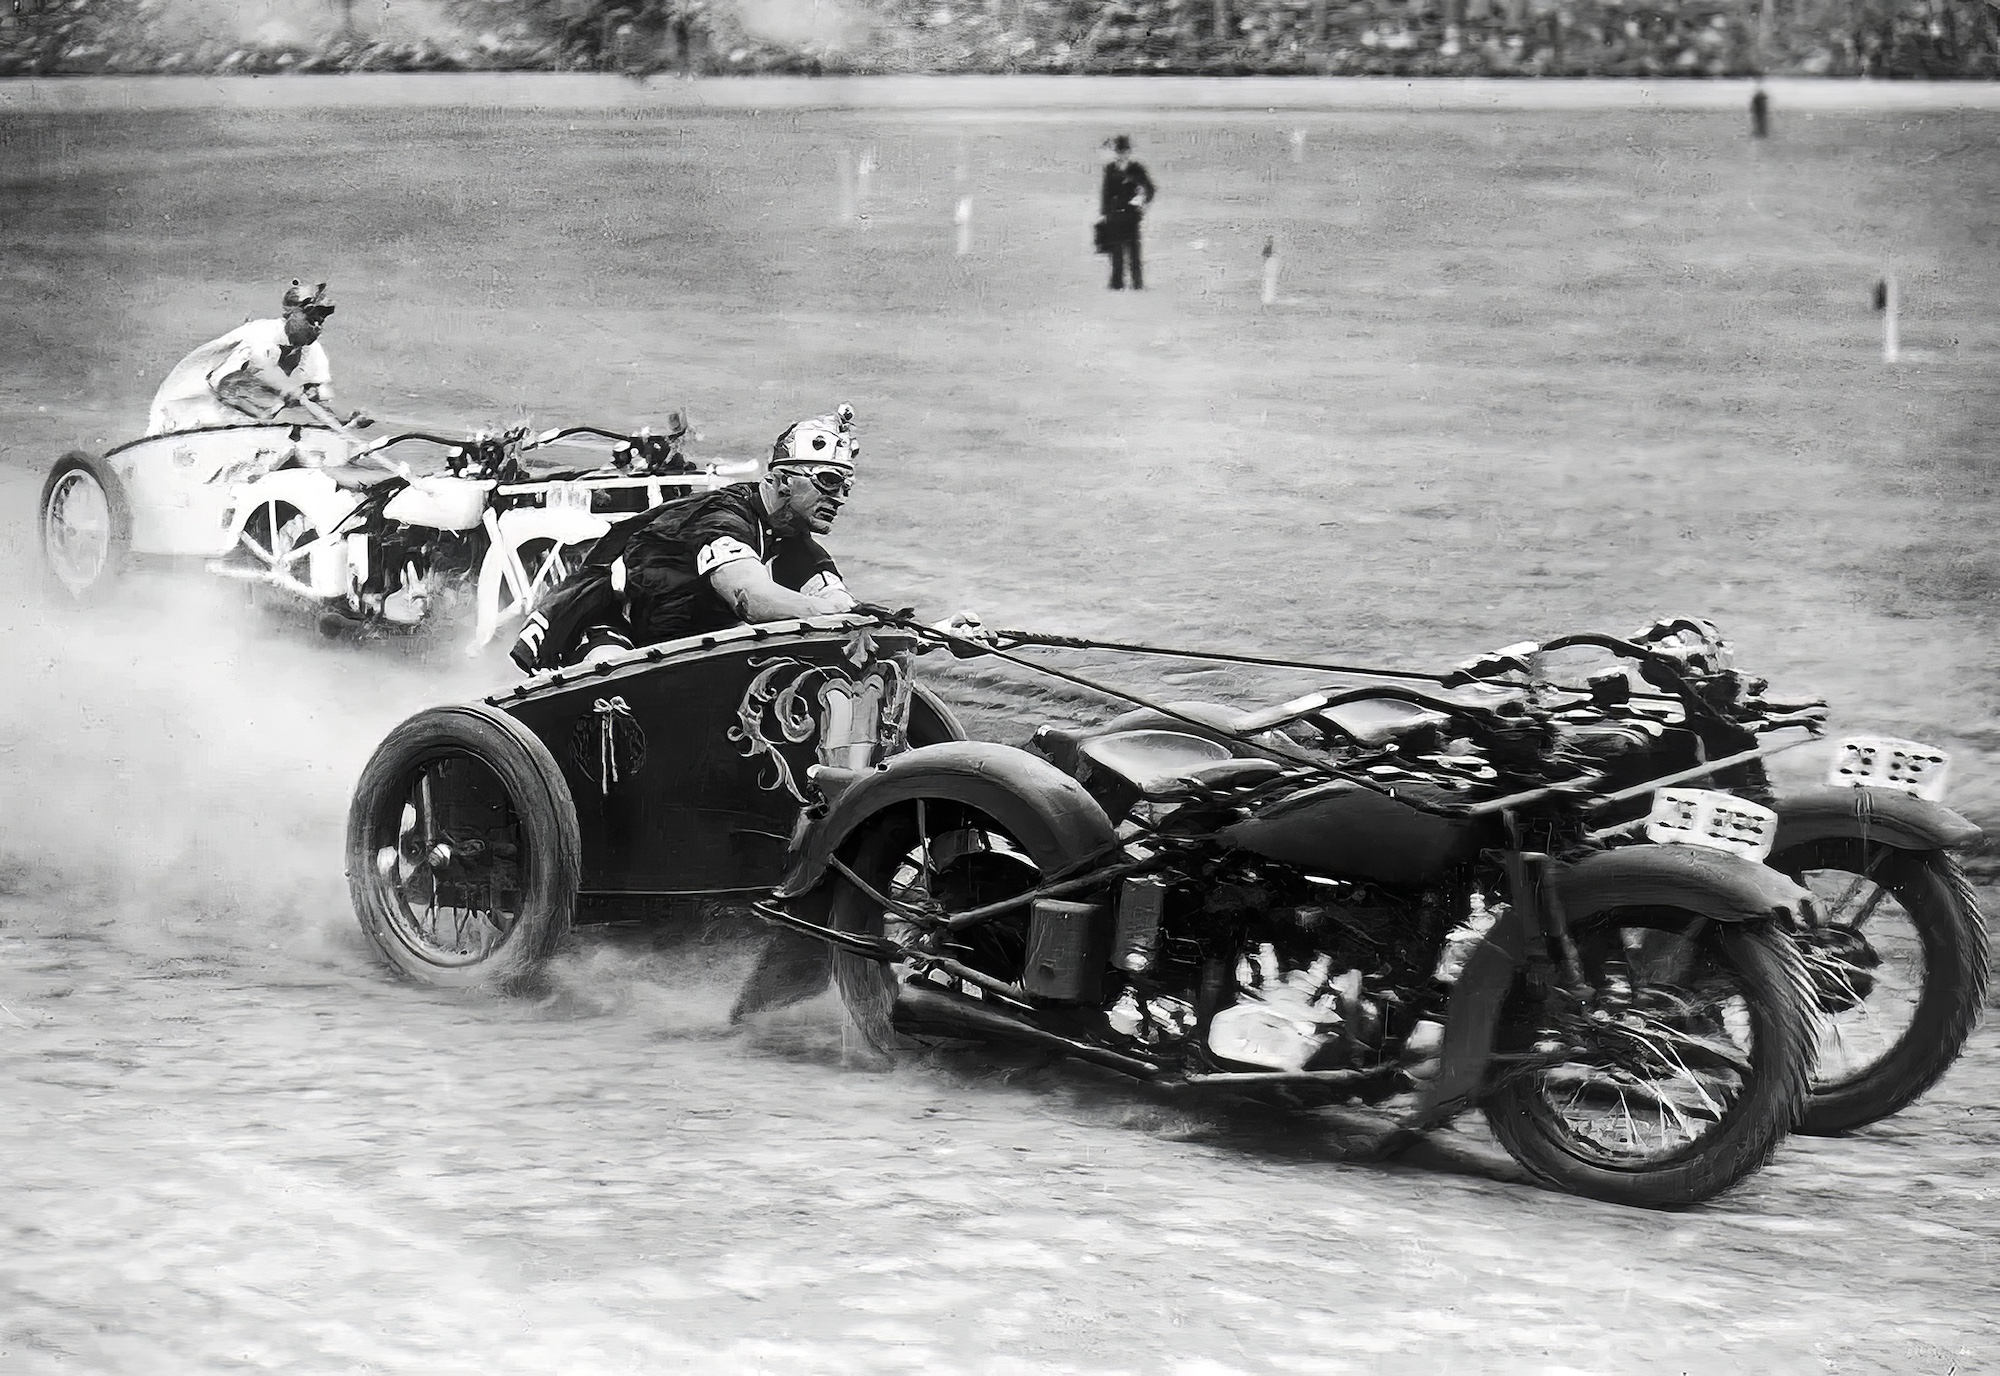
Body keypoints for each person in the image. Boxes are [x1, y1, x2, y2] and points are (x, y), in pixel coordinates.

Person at [511, 406, 864, 671]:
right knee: (615, 675)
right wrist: (824, 612)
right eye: (828, 481)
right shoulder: (724, 517)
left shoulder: (791, 536)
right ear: (781, 480)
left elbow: (839, 602)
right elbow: (751, 599)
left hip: (678, 639)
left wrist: (862, 620)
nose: (840, 497)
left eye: (845, 486)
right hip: (612, 623)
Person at [145, 279, 368, 436]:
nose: (318, 324)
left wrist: (344, 421)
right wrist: (289, 389)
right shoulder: (261, 333)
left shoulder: (314, 354)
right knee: (243, 388)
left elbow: (317, 397)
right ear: (291, 314)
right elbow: (253, 372)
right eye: (311, 316)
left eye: (322, 318)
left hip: (239, 427)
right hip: (192, 415)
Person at [1098, 134, 1157, 291]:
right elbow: (1106, 192)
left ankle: (1137, 284)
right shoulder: (1110, 169)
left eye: (1124, 151)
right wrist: (1105, 213)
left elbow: (1150, 189)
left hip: (1131, 216)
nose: (1121, 154)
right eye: (1119, 151)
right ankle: (1117, 284)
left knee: (1133, 251)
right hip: (1115, 216)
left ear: (1128, 151)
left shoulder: (1137, 169)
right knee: (1116, 252)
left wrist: (1141, 201)